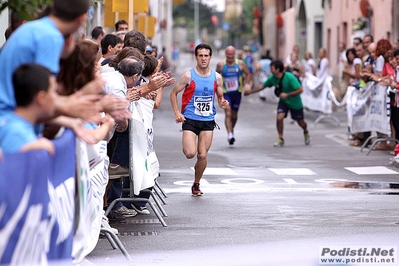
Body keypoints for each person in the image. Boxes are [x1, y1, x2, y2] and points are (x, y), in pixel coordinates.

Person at [0, 0, 102, 122]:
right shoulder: (50, 37)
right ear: (82, 19)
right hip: (11, 120)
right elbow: (44, 100)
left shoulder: (38, 29)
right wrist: (85, 95)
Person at [170, 43, 229, 196]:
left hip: (208, 120)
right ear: (196, 57)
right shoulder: (188, 75)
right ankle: (187, 145)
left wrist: (223, 102)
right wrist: (177, 113)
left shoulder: (217, 77)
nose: (203, 58)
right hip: (190, 119)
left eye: (206, 56)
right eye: (200, 55)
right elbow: (173, 93)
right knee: (190, 153)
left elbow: (220, 97)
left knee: (202, 155)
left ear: (210, 57)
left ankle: (196, 184)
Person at [244, 60, 310, 147]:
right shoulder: (272, 78)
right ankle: (281, 138)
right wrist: (250, 92)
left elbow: (300, 89)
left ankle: (305, 131)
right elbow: (262, 86)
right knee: (279, 117)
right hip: (283, 102)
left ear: (278, 69)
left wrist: (287, 95)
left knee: (301, 122)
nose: (270, 70)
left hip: (295, 102)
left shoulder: (289, 77)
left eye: (272, 68)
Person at [0, 63, 56, 154]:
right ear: (42, 98)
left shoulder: (12, 124)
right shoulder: (16, 134)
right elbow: (7, 164)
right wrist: (25, 151)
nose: (56, 97)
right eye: (54, 91)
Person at [216, 45, 253, 145]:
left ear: (235, 54)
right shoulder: (221, 65)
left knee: (234, 115)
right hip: (225, 93)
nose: (230, 56)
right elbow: (215, 77)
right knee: (228, 113)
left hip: (237, 93)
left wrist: (247, 84)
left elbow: (248, 74)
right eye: (228, 54)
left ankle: (231, 129)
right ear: (225, 54)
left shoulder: (240, 64)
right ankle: (230, 135)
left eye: (232, 54)